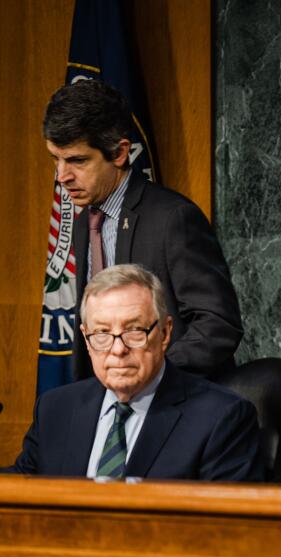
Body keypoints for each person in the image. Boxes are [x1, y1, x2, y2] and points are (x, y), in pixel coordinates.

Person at [42, 79, 243, 381]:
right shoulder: (84, 223)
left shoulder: (173, 218)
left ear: (120, 153)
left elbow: (219, 324)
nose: (62, 177)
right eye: (56, 160)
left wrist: (150, 375)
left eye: (77, 161)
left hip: (177, 405)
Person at [7, 264, 263, 481]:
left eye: (134, 331)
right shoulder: (55, 409)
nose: (118, 349)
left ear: (164, 333)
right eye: (102, 333)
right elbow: (19, 490)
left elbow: (226, 529)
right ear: (86, 339)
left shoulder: (221, 418)